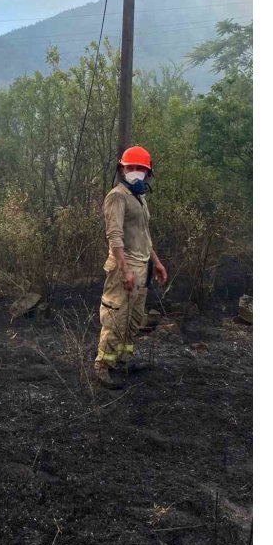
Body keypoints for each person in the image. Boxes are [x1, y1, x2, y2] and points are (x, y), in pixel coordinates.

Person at [93, 145, 169, 390]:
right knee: (116, 318)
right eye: (131, 167)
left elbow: (144, 235)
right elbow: (114, 236)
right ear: (122, 169)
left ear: (148, 173)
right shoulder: (117, 196)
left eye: (140, 168)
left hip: (142, 267)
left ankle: (122, 361)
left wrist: (155, 262)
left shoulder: (141, 198)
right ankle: (102, 367)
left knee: (133, 320)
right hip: (123, 268)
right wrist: (124, 270)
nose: (135, 172)